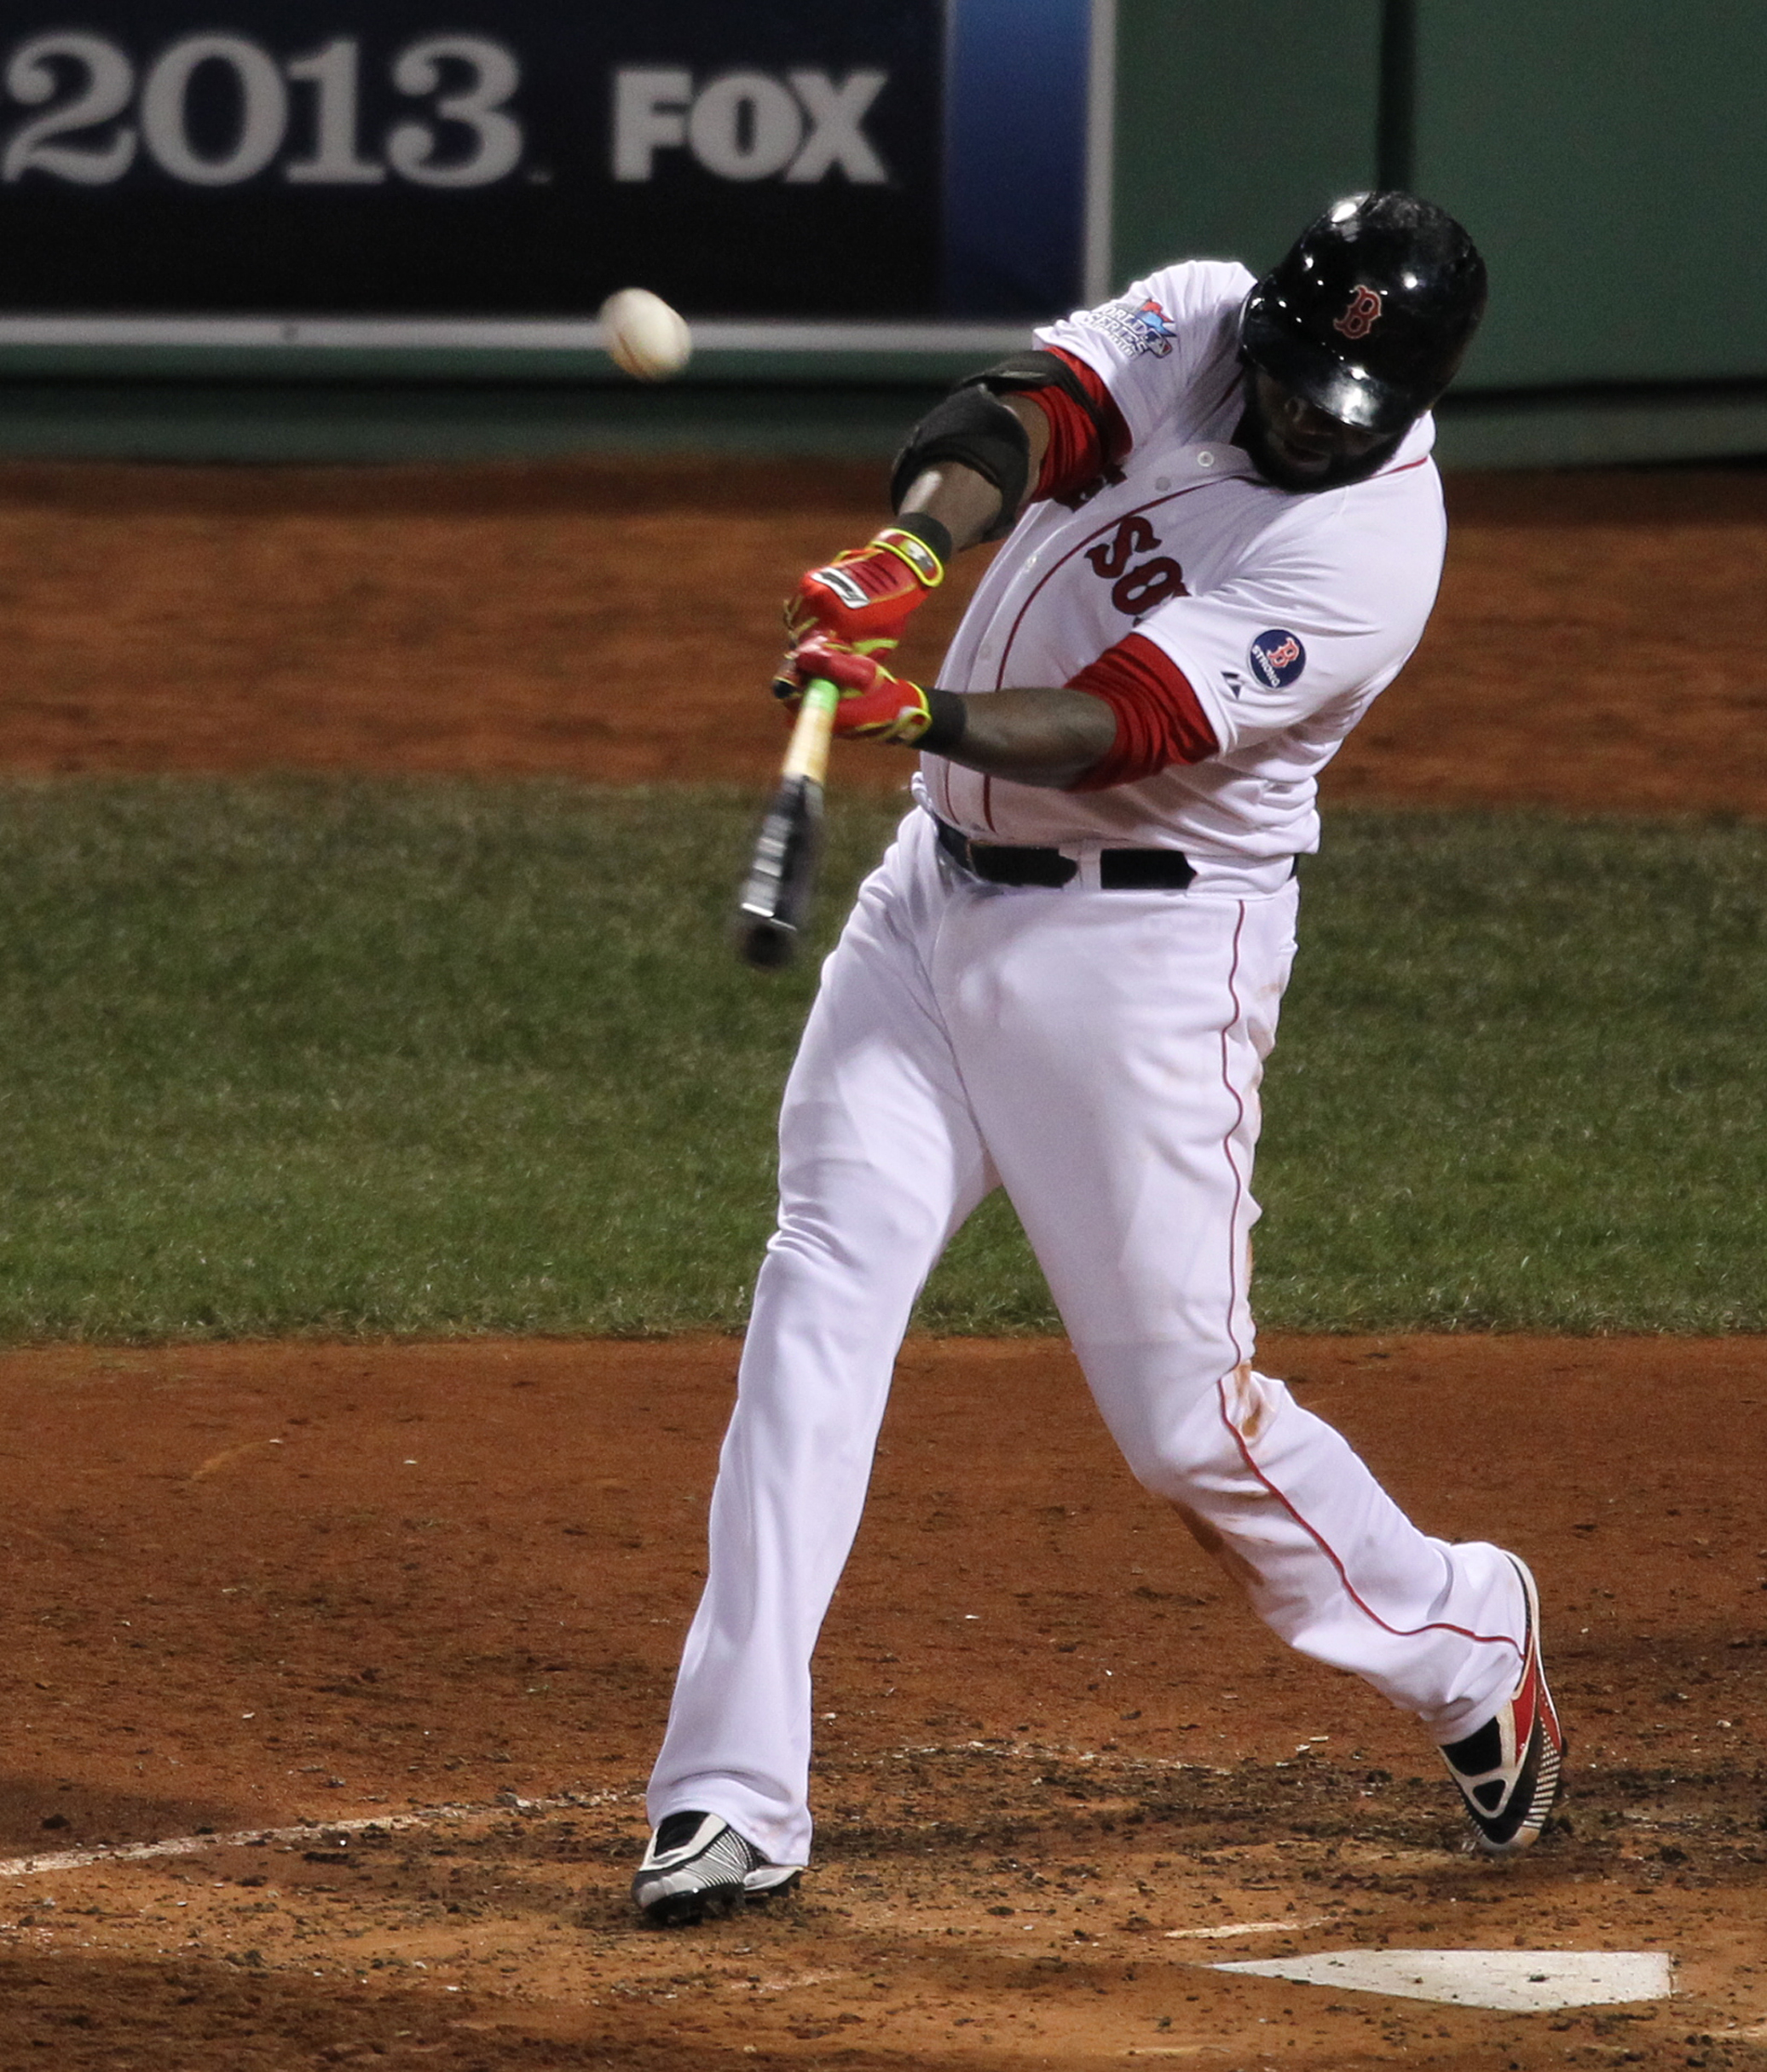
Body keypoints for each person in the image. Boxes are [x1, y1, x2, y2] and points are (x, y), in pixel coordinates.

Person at [632, 192, 1562, 1926]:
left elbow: (1123, 724)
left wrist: (915, 709)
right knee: (816, 1299)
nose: (1293, 417)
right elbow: (1019, 415)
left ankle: (1457, 1630)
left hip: (1139, 960)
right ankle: (728, 1786)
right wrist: (913, 551)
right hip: (922, 910)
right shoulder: (1207, 315)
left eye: (1330, 410)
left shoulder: (1368, 556)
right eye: (1286, 380)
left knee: (1183, 1430)